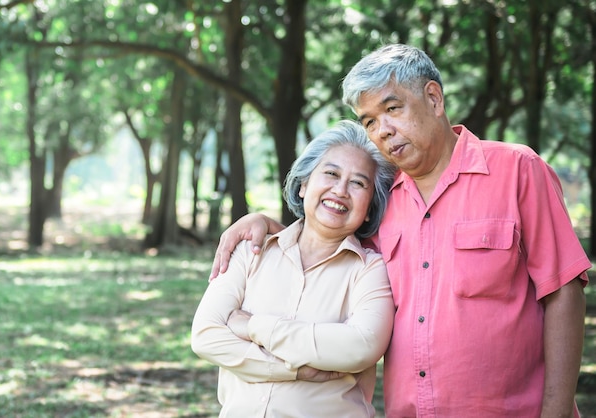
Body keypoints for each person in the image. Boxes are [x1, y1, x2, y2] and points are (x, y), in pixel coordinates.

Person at [209, 44, 591, 417]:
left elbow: (562, 292)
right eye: (370, 121)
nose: (383, 131)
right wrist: (266, 223)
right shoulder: (381, 198)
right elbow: (329, 234)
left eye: (392, 109)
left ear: (434, 98)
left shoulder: (517, 170)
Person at [191, 120, 397, 417]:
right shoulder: (251, 250)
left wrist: (252, 326)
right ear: (303, 185)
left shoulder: (369, 269)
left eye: (358, 183)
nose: (340, 190)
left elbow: (361, 346)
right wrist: (296, 371)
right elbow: (206, 336)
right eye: (331, 173)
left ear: (369, 210)